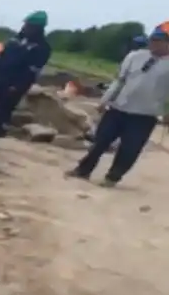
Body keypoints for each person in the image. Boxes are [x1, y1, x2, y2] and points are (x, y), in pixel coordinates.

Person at [65, 25, 169, 187]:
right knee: (100, 141)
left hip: (145, 115)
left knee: (130, 148)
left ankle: (113, 177)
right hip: (118, 108)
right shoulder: (134, 56)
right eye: (152, 40)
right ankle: (83, 170)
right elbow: (119, 80)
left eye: (158, 41)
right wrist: (105, 100)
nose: (153, 44)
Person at [0, 11, 53, 155]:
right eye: (25, 24)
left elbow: (32, 72)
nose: (25, 27)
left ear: (37, 29)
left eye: (29, 25)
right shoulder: (14, 40)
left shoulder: (42, 48)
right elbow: (1, 58)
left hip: (13, 87)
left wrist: (18, 87)